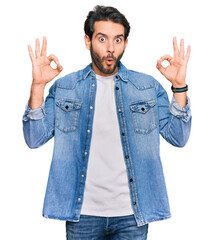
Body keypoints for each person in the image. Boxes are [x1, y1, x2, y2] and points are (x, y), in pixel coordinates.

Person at [23, 5, 191, 240]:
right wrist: (38, 87)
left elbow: (179, 137)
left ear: (125, 43)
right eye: (102, 39)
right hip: (82, 215)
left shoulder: (147, 87)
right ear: (87, 41)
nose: (110, 48)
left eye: (118, 40)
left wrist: (179, 87)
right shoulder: (65, 88)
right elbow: (33, 138)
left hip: (132, 215)